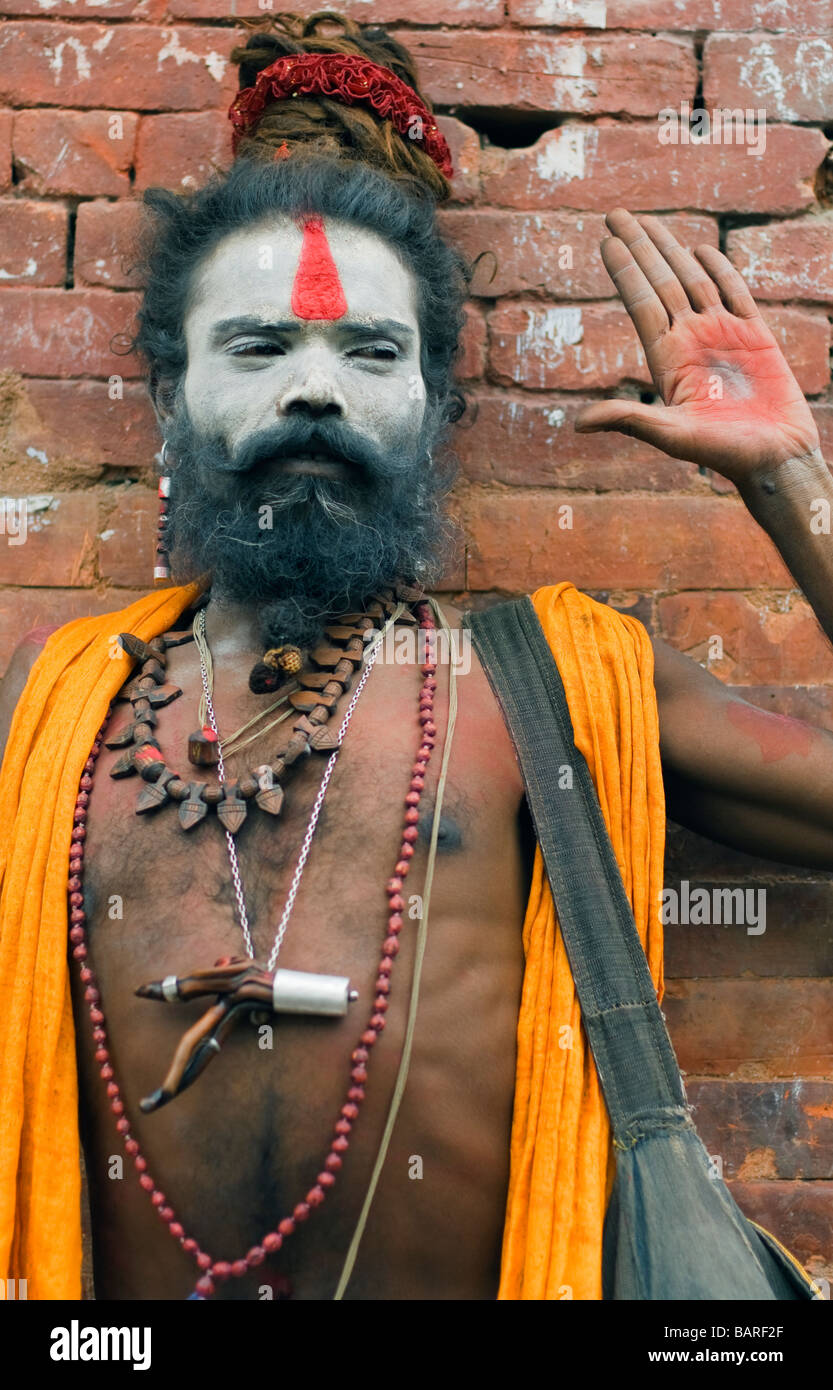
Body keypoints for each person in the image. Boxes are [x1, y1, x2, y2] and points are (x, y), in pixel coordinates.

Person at [2, 11, 832, 1302]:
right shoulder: (54, 703)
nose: (315, 390)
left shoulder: (555, 679)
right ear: (169, 395)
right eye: (260, 345)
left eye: (370, 351)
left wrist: (791, 485)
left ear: (437, 403)